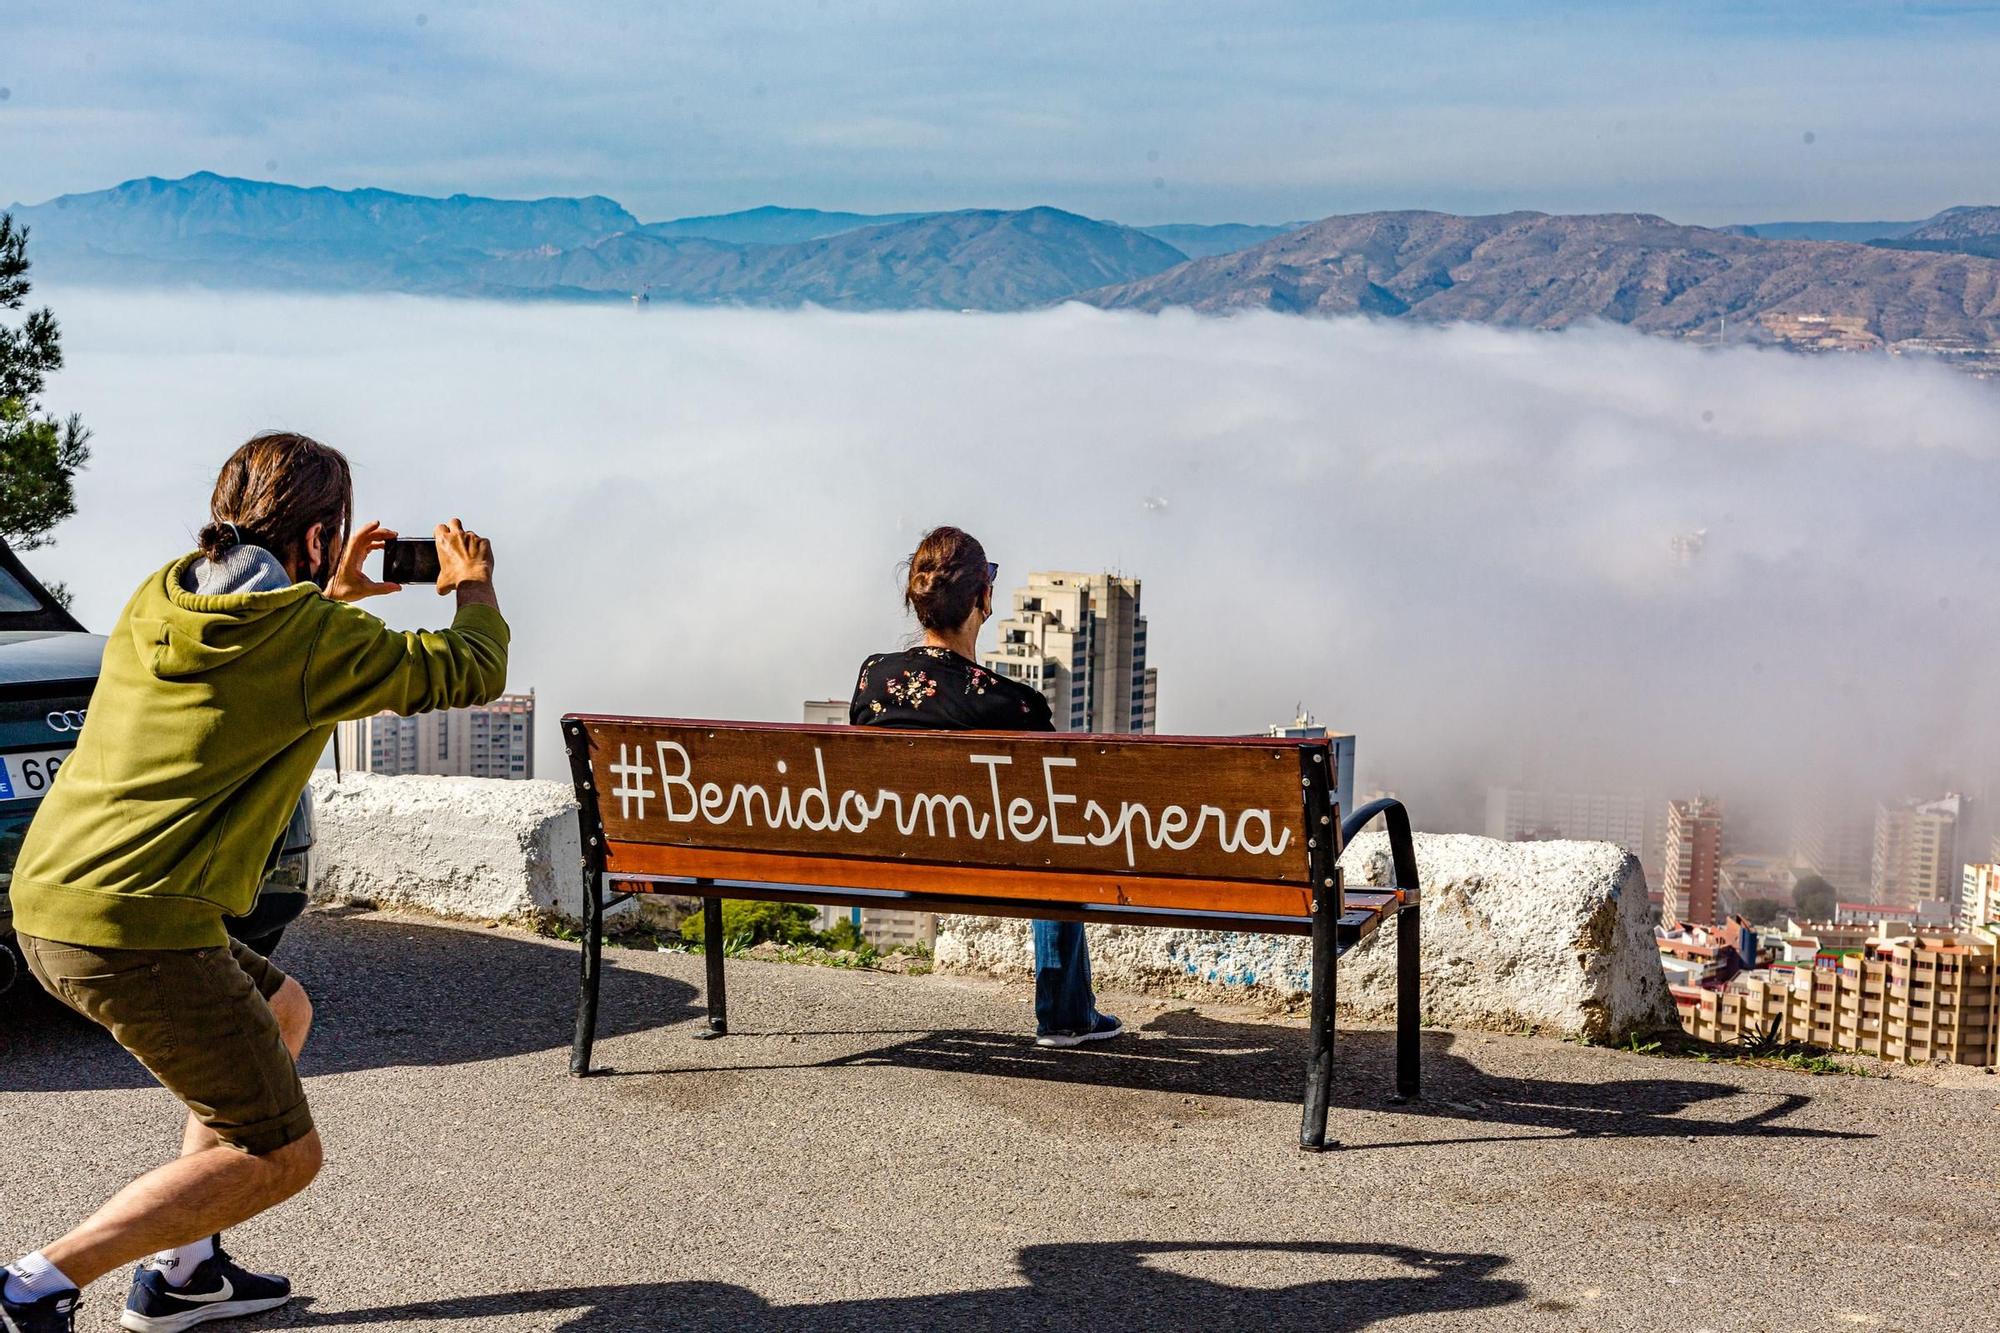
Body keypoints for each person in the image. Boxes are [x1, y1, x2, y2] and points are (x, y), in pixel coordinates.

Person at [1, 433, 510, 1333]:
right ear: (316, 540)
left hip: (53, 895)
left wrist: (323, 588)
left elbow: (253, 658)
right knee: (282, 1153)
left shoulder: (162, 593)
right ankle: (32, 1286)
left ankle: (187, 1272)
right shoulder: (308, 637)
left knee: (282, 1012)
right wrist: (473, 580)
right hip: (138, 927)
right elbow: (473, 669)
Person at [849, 525, 1123, 1050]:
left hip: (890, 857)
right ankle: (1065, 1016)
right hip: (991, 868)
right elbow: (1055, 809)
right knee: (1055, 844)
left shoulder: (874, 679)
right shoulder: (1016, 705)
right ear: (983, 598)